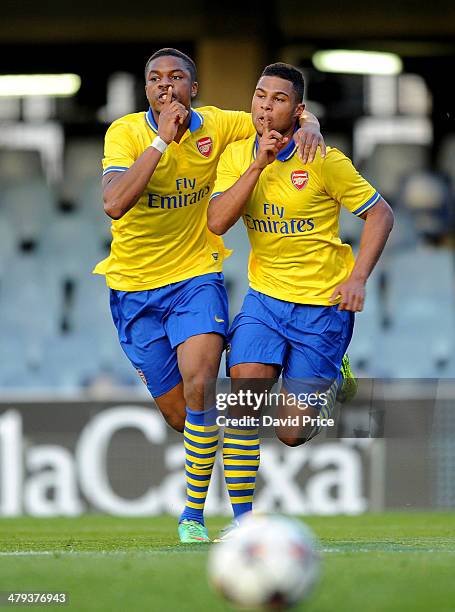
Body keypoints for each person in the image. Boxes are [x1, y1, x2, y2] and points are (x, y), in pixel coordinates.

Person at [93, 48, 325, 543]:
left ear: (193, 89)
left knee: (203, 387)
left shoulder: (218, 125)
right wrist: (161, 140)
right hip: (133, 291)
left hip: (196, 277)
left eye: (177, 77)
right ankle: (211, 506)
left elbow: (278, 113)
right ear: (147, 90)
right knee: (183, 417)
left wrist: (313, 125)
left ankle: (198, 518)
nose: (166, 86)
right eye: (155, 78)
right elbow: (114, 204)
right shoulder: (127, 134)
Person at [208, 62, 394, 533]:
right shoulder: (236, 156)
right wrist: (258, 164)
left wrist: (358, 278)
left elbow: (381, 216)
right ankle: (243, 523)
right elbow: (216, 221)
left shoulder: (324, 160)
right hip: (265, 301)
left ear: (299, 110)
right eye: (260, 96)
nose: (266, 107)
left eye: (279, 100)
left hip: (322, 306)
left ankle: (332, 380)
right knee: (244, 395)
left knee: (290, 433)